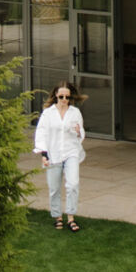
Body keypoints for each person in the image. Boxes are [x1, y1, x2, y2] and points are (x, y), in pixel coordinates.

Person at [33, 82, 87, 232]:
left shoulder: (75, 113)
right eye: (61, 96)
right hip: (53, 153)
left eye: (67, 97)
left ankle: (71, 217)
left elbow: (80, 134)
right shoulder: (48, 113)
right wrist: (43, 153)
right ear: (56, 95)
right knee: (54, 187)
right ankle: (57, 217)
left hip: (71, 152)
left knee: (73, 184)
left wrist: (77, 131)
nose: (64, 99)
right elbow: (41, 133)